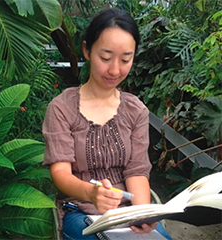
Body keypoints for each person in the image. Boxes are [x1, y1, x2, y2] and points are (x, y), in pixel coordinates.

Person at [43, 7, 173, 240]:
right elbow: (60, 173)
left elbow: (136, 172)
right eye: (105, 57)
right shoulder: (62, 108)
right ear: (87, 50)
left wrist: (141, 214)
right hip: (81, 209)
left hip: (127, 211)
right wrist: (91, 193)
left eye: (125, 59)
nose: (114, 70)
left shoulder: (135, 110)